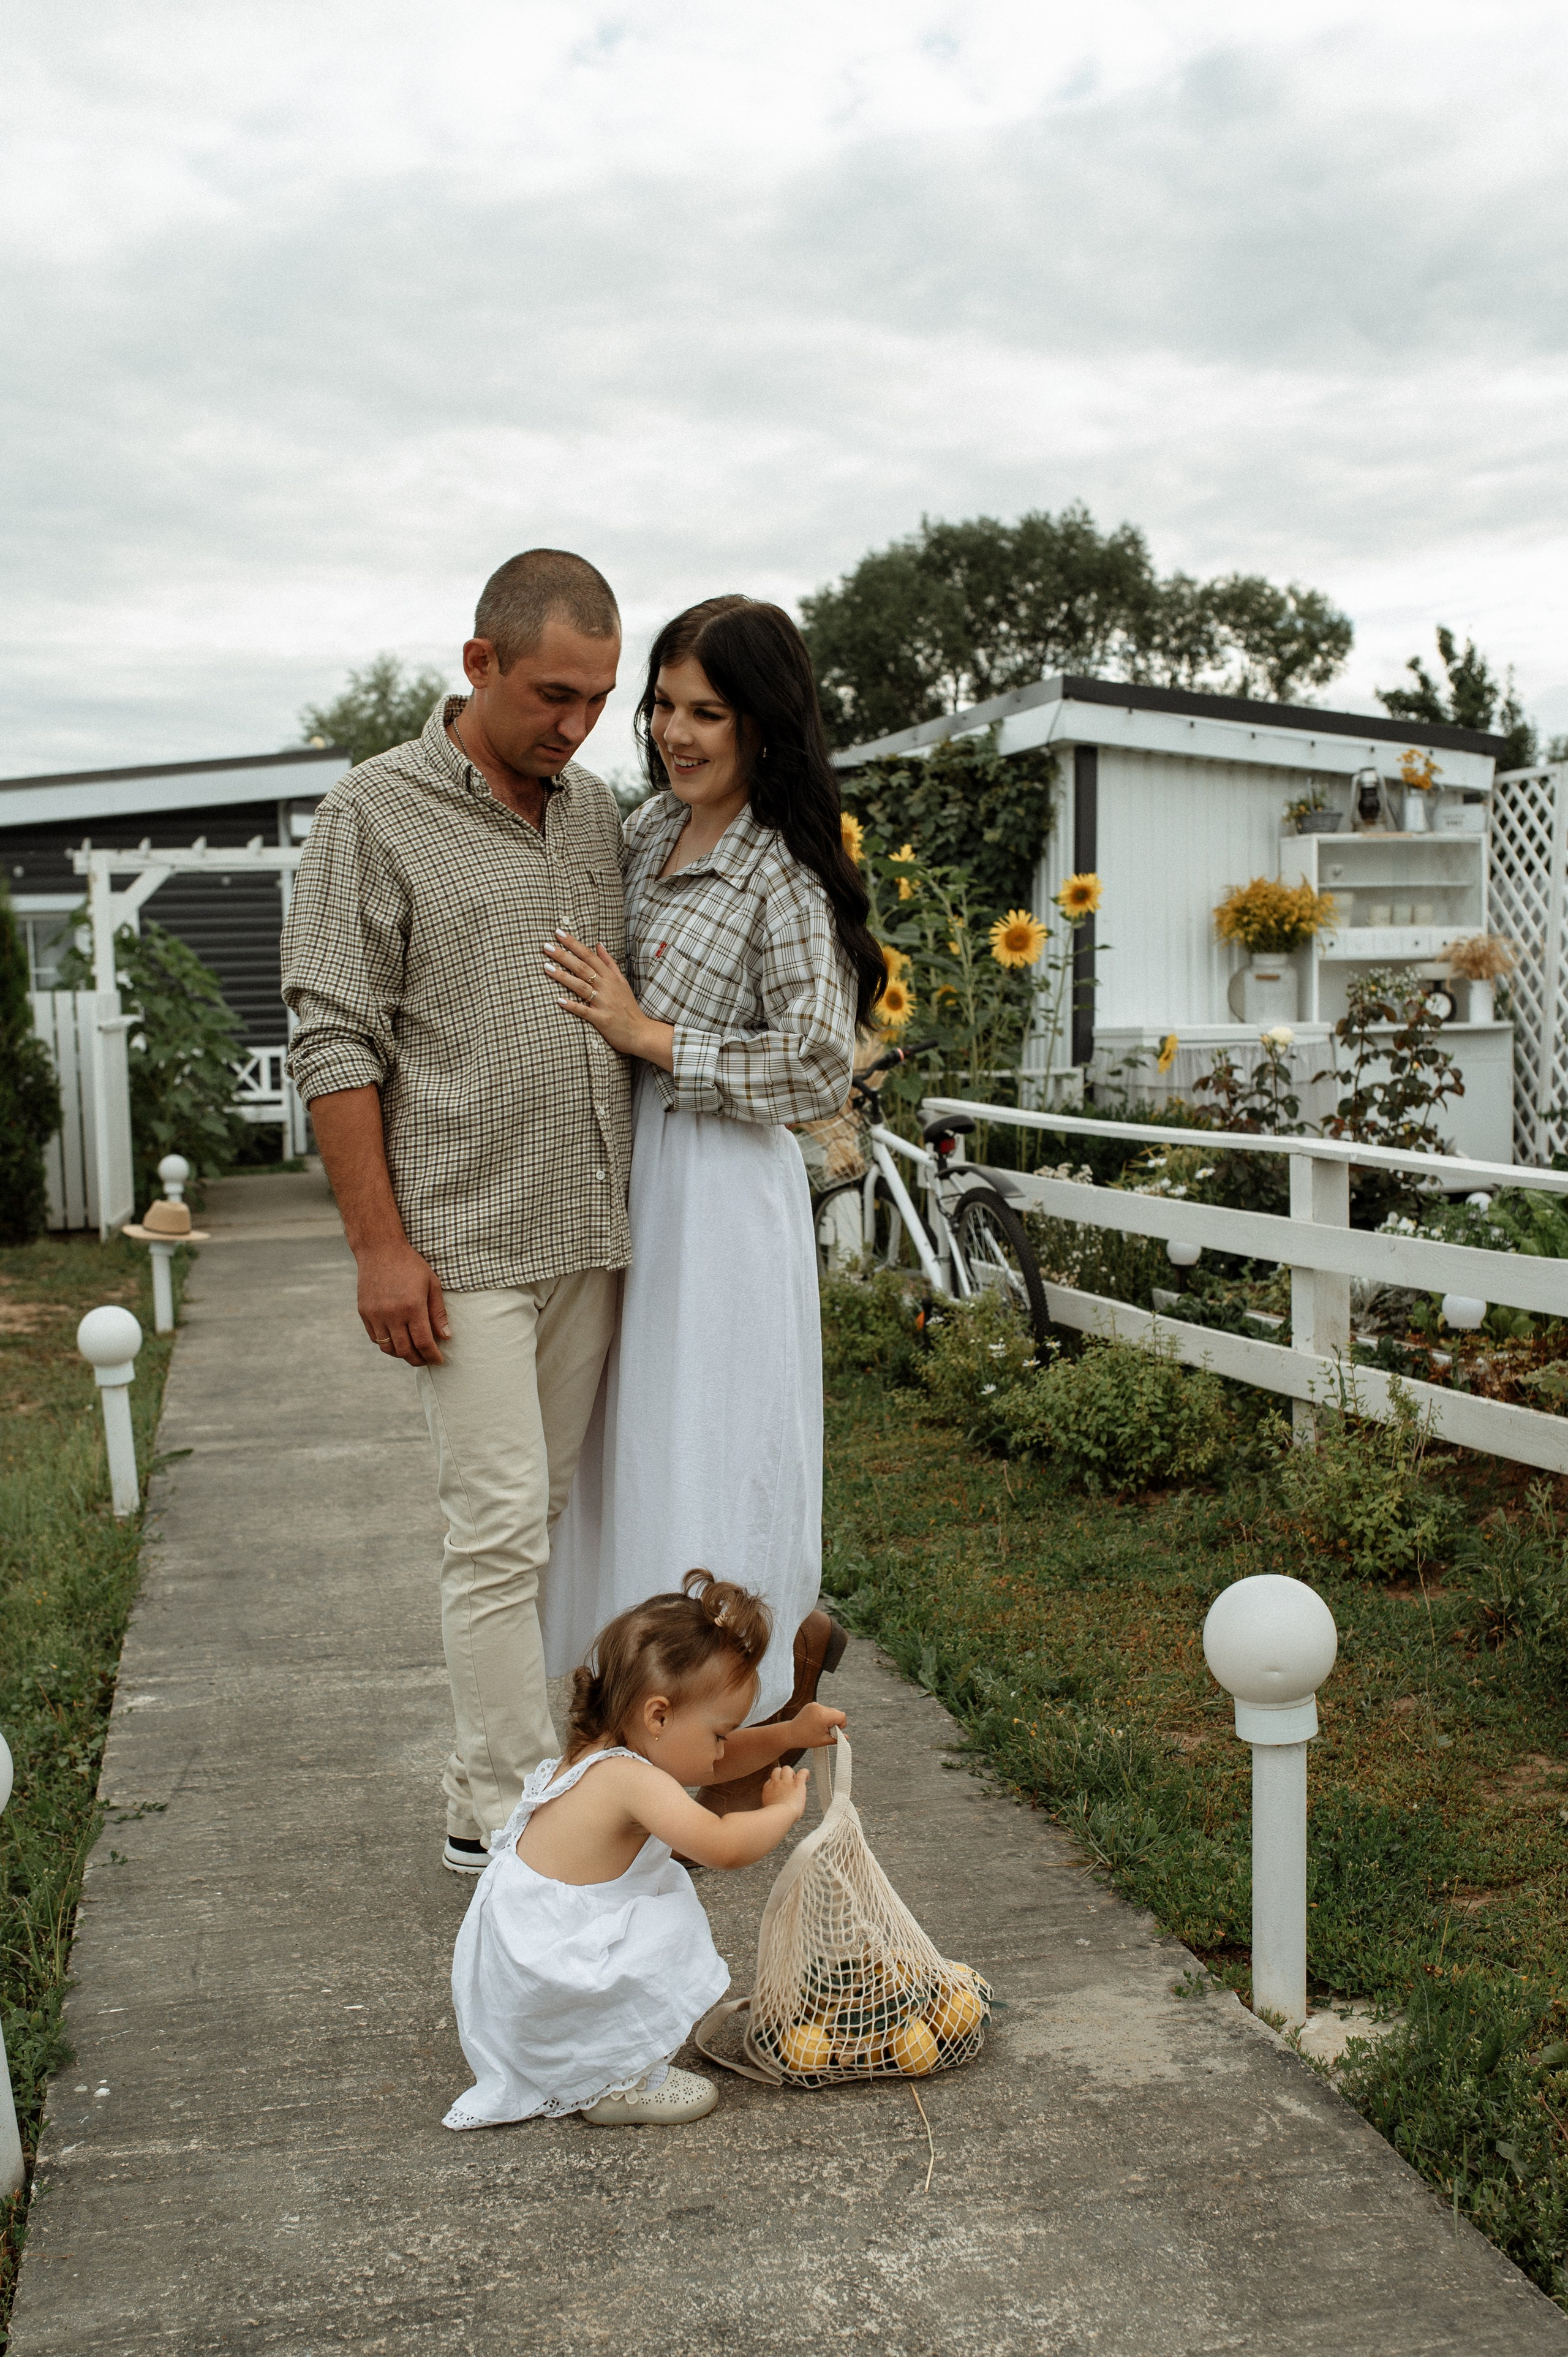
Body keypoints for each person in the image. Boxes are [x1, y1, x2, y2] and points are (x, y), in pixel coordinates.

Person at [281, 549, 630, 1875]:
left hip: (588, 1233)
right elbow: (333, 1035)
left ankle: (475, 1795)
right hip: (461, 1239)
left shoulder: (595, 812)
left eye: (597, 698)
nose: (578, 724)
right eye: (554, 693)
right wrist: (379, 1244)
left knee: (543, 1523)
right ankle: (515, 1823)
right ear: (476, 664)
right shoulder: (371, 812)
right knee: (491, 1528)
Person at [537, 596, 886, 1807]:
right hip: (635, 1165)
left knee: (707, 1438)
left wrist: (650, 1032)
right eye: (663, 706)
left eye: (707, 712)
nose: (675, 733)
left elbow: (814, 1061)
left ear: (762, 725)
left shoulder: (780, 873)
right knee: (623, 1439)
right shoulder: (643, 835)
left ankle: (732, 1717)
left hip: (722, 1188)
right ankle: (639, 1714)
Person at [444, 1571, 846, 2130]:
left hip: (527, 1974)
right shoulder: (631, 1782)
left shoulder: (605, 1748)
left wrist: (787, 1734)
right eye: (722, 1731)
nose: (724, 1746)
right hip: (554, 1973)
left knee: (657, 1900)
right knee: (670, 1920)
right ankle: (621, 2083)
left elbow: (709, 1761)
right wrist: (781, 1812)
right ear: (659, 1715)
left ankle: (590, 2059)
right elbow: (723, 1846)